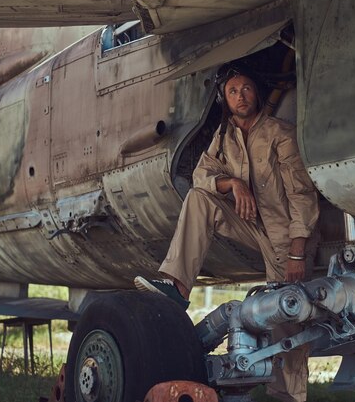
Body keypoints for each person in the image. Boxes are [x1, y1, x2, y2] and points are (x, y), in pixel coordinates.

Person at [135, 63, 320, 402]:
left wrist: (297, 252)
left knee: (288, 321)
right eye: (233, 91)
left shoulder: (280, 134)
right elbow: (200, 177)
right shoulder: (225, 137)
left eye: (246, 89)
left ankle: (287, 397)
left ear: (257, 93)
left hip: (285, 238)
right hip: (250, 226)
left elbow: (301, 196)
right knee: (199, 199)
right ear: (225, 98)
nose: (240, 96)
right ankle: (176, 286)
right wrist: (232, 183)